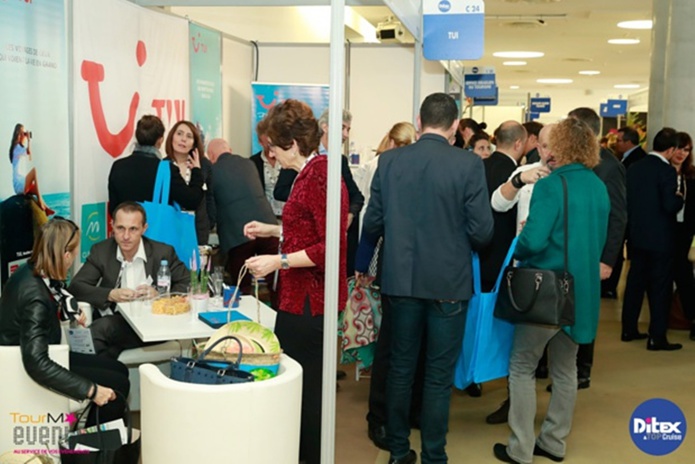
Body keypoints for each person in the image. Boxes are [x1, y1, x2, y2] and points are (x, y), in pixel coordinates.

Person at [361, 93, 493, 464]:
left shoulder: (389, 162)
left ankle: (399, 452)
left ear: (419, 122)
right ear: (454, 126)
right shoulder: (468, 166)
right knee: (437, 375)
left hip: (400, 281)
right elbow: (482, 232)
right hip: (449, 284)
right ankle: (435, 455)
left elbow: (372, 223)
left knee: (400, 369)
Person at [493, 117, 609, 464]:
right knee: (565, 369)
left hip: (547, 291)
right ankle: (554, 441)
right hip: (581, 292)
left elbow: (533, 241)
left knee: (522, 366)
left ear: (559, 148)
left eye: (547, 144)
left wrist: (523, 235)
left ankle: (520, 449)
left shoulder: (550, 186)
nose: (542, 149)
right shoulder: (597, 186)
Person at [242, 99, 348, 464]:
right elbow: (310, 230)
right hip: (299, 299)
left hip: (309, 303)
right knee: (299, 391)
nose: (268, 154)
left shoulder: (320, 174)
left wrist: (278, 260)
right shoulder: (312, 171)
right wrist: (273, 229)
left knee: (306, 396)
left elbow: (328, 247)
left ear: (290, 143)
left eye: (271, 146)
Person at [0, 218, 129, 426]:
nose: (75, 258)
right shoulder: (35, 298)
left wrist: (69, 309)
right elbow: (36, 363)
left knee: (119, 370)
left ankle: (94, 442)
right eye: (75, 253)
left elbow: (53, 296)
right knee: (118, 385)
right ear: (66, 255)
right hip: (27, 368)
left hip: (44, 353)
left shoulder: (32, 271)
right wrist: (92, 390)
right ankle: (91, 451)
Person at [354, 121, 419, 450]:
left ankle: (398, 413)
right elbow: (370, 218)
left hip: (409, 268)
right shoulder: (380, 166)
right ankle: (379, 416)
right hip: (389, 263)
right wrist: (363, 264)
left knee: (400, 346)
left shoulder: (416, 165)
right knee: (389, 344)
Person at [485, 125, 553, 426]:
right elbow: (497, 204)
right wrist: (517, 180)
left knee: (561, 356)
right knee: (521, 347)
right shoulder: (527, 172)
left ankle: (550, 423)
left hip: (558, 269)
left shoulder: (576, 178)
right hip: (523, 270)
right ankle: (517, 406)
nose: (547, 152)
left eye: (554, 145)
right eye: (544, 145)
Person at [68, 202, 189, 359]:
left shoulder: (162, 252)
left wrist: (159, 294)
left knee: (102, 330)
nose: (126, 236)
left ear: (144, 228)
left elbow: (188, 283)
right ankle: (108, 378)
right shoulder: (101, 251)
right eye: (120, 228)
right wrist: (110, 294)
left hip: (152, 323)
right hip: (117, 322)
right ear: (112, 226)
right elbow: (76, 287)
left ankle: (86, 378)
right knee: (106, 342)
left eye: (133, 229)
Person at [564, 107, 626, 389]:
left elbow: (618, 216)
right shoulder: (571, 161)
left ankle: (582, 369)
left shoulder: (609, 166)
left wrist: (608, 260)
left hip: (592, 253)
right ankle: (562, 366)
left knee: (585, 311)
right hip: (570, 251)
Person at [274, 108, 364, 276]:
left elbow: (357, 196)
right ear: (325, 127)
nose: (345, 134)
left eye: (348, 130)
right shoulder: (302, 155)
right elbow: (280, 191)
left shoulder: (340, 161)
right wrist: (311, 197)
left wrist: (350, 214)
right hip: (305, 248)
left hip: (333, 246)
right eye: (343, 127)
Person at [622, 128, 684, 351]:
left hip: (637, 235)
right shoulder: (666, 171)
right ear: (670, 149)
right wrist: (680, 199)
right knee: (660, 287)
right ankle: (657, 336)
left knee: (635, 283)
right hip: (660, 238)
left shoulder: (635, 167)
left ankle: (628, 328)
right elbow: (669, 205)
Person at [207, 138, 279, 303]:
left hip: (237, 233)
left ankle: (248, 319)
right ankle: (278, 316)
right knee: (275, 282)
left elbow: (211, 208)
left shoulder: (212, 171)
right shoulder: (249, 164)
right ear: (230, 150)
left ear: (211, 156)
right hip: (267, 226)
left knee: (242, 284)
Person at [108, 115, 204, 216]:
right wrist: (197, 171)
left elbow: (114, 208)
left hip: (125, 229)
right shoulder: (166, 169)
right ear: (160, 140)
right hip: (156, 230)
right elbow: (192, 201)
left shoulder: (118, 166)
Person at [480, 121, 528, 291]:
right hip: (505, 256)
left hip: (478, 254)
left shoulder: (478, 166)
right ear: (518, 144)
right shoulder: (519, 175)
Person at [601, 126, 647, 299]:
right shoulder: (622, 160)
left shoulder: (634, 161)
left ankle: (610, 286)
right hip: (626, 214)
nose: (616, 144)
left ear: (629, 142)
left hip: (628, 215)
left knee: (618, 249)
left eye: (619, 140)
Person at [164, 120, 215, 245]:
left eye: (189, 136)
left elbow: (210, 197)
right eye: (179, 134)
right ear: (171, 138)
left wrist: (209, 223)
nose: (183, 139)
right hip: (169, 228)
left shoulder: (204, 165)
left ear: (194, 143)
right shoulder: (163, 165)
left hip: (197, 229)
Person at [671, 132, 695, 340]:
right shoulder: (663, 172)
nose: (681, 153)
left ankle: (692, 316)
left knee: (685, 276)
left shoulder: (692, 175)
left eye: (686, 150)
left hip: (686, 233)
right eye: (679, 148)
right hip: (665, 231)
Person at [8, 123, 54, 216]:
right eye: (23, 133)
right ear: (19, 135)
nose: (25, 135)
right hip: (19, 184)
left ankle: (45, 208)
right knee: (34, 171)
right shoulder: (16, 147)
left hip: (21, 182)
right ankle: (40, 202)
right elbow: (29, 152)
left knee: (35, 188)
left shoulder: (19, 148)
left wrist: (26, 140)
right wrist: (28, 140)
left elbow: (29, 155)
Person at [250, 117, 285, 219]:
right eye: (267, 144)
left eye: (273, 144)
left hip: (288, 215)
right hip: (265, 216)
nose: (271, 149)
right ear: (260, 142)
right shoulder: (253, 162)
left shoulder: (288, 160)